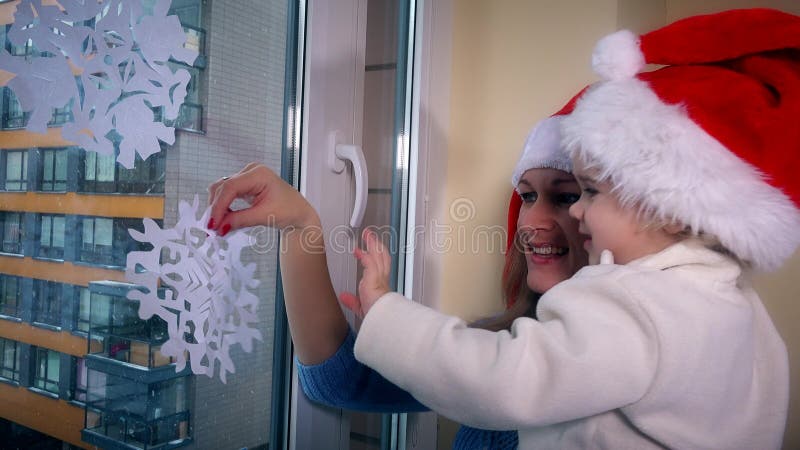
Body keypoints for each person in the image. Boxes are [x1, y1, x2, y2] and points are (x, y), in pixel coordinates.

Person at [341, 8, 800, 450]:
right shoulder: (741, 312)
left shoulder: (635, 303)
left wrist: (386, 311)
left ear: (673, 209)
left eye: (588, 193)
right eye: (530, 196)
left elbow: (500, 381)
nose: (577, 213)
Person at [207, 109, 588, 448]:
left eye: (566, 197)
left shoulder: (625, 377)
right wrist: (300, 225)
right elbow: (340, 381)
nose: (533, 222)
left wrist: (389, 314)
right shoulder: (503, 343)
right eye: (526, 196)